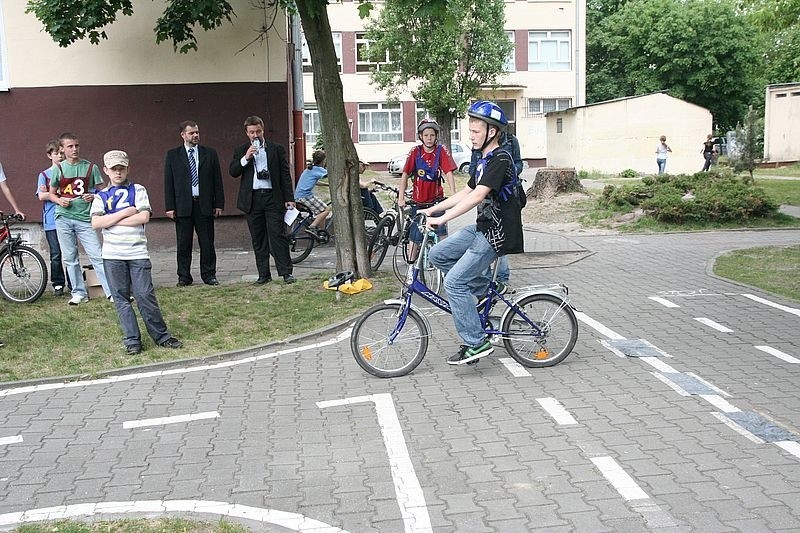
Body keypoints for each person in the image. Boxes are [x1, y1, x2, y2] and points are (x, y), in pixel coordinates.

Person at [422, 100, 524, 366]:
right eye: (470, 131)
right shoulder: (482, 158)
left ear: (492, 132)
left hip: (497, 234)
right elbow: (467, 190)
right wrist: (433, 209)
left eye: (476, 131)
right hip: (482, 227)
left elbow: (479, 195)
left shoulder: (501, 158)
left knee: (454, 283)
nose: (471, 135)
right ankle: (490, 288)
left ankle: (476, 342)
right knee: (438, 254)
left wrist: (444, 218)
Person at [91, 150, 183, 355]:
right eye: (113, 169)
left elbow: (143, 217)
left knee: (144, 295)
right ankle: (132, 340)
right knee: (121, 298)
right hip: (113, 255)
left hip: (137, 253)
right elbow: (96, 222)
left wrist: (111, 219)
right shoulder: (100, 196)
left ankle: (161, 336)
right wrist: (124, 213)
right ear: (106, 170)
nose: (117, 172)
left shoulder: (138, 189)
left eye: (121, 169)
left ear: (127, 169)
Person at [229, 116, 296, 284]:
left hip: (272, 197)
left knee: (278, 235)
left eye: (258, 131)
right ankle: (264, 274)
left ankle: (286, 272)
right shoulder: (241, 150)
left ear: (263, 130)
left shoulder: (276, 149)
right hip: (252, 198)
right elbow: (233, 171)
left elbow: (285, 174)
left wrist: (289, 197)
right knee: (258, 238)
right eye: (252, 132)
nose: (255, 135)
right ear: (247, 133)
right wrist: (246, 158)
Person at [49, 132, 112, 305]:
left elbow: (103, 190)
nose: (74, 149)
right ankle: (78, 292)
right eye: (70, 146)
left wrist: (94, 196)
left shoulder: (90, 167)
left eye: (76, 145)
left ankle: (110, 291)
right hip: (63, 217)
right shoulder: (58, 168)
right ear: (62, 149)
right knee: (70, 257)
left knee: (97, 255)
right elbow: (51, 194)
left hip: (85, 218)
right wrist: (59, 200)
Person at [164, 120, 225, 287]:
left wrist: (219, 203)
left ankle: (209, 274)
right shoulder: (173, 155)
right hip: (183, 205)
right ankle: (184, 276)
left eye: (197, 132)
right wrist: (170, 206)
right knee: (184, 243)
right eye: (191, 133)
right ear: (183, 135)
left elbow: (217, 180)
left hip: (204, 204)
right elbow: (168, 182)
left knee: (207, 242)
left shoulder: (209, 154)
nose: (196, 135)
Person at [469, 124, 524, 287]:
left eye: (476, 131)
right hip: (486, 208)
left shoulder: (509, 144)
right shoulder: (480, 148)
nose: (472, 136)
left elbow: (518, 164)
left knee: (499, 239)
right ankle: (487, 282)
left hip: (502, 207)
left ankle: (501, 279)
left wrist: (503, 172)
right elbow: (474, 171)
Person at [398, 118, 457, 261]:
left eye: (432, 135)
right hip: (418, 202)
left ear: (436, 136)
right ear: (420, 136)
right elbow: (405, 174)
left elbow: (448, 172)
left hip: (436, 201)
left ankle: (443, 264)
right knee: (414, 238)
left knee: (441, 234)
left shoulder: (441, 151)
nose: (429, 138)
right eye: (426, 135)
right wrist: (401, 197)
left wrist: (455, 195)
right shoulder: (415, 152)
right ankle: (412, 268)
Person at [36, 140, 69, 296]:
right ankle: (58, 283)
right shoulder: (44, 175)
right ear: (50, 155)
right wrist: (49, 194)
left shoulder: (68, 172)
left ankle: (73, 282)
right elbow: (41, 195)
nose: (60, 156)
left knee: (70, 251)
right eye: (56, 153)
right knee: (56, 253)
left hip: (68, 216)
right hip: (51, 220)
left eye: (62, 153)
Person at [294, 150, 331, 238]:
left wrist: (327, 185)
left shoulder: (310, 168)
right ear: (323, 161)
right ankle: (312, 227)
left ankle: (321, 233)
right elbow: (332, 175)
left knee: (321, 212)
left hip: (299, 195)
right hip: (305, 196)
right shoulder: (319, 170)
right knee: (326, 210)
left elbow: (315, 181)